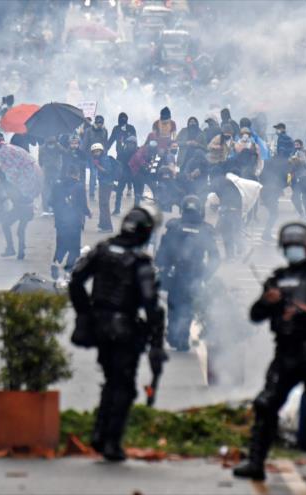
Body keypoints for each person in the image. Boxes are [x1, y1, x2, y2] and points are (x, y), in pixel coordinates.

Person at [233, 222, 306, 483]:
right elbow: (255, 314)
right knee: (266, 404)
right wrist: (268, 301)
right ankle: (256, 461)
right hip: (285, 353)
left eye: (297, 246)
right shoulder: (277, 279)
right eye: (289, 247)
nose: (293, 251)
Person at [69, 206, 167, 461]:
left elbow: (76, 279)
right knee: (123, 386)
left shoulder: (102, 249)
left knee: (111, 380)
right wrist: (157, 340)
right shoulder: (139, 261)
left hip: (100, 326)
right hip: (124, 329)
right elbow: (150, 303)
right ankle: (111, 441)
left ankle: (100, 434)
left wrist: (85, 313)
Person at [155, 195, 220, 351]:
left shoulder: (174, 226)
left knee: (174, 306)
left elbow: (163, 251)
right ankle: (181, 337)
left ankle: (174, 335)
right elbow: (215, 257)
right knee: (188, 307)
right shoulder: (206, 230)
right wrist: (206, 276)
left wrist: (162, 269)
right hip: (195, 274)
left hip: (175, 273)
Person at [51, 164, 91, 279]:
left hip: (60, 222)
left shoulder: (57, 185)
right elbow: (83, 204)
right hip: (74, 222)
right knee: (74, 248)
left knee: (61, 245)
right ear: (77, 174)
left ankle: (55, 264)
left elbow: (50, 202)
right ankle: (68, 271)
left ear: (67, 173)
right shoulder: (79, 186)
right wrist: (88, 213)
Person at [89, 143, 118, 233]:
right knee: (102, 204)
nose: (96, 153)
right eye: (94, 152)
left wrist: (97, 166)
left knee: (104, 205)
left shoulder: (104, 159)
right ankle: (102, 224)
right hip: (103, 183)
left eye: (97, 151)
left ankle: (108, 227)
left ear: (101, 151)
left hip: (107, 184)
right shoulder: (100, 159)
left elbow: (107, 171)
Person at [83, 115, 109, 199]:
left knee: (101, 173)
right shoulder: (88, 131)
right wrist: (82, 154)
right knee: (93, 174)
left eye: (101, 123)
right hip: (91, 155)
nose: (99, 125)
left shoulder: (104, 131)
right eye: (98, 123)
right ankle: (91, 193)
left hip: (101, 155)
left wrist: (105, 154)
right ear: (95, 122)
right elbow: (85, 143)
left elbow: (105, 143)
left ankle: (102, 192)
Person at [39, 135, 64, 214]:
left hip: (55, 170)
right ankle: (46, 209)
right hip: (46, 170)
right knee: (45, 190)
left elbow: (65, 152)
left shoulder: (58, 146)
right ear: (46, 143)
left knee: (54, 189)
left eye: (52, 143)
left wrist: (58, 145)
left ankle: (53, 207)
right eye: (49, 143)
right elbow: (40, 160)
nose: (51, 145)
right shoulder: (42, 148)